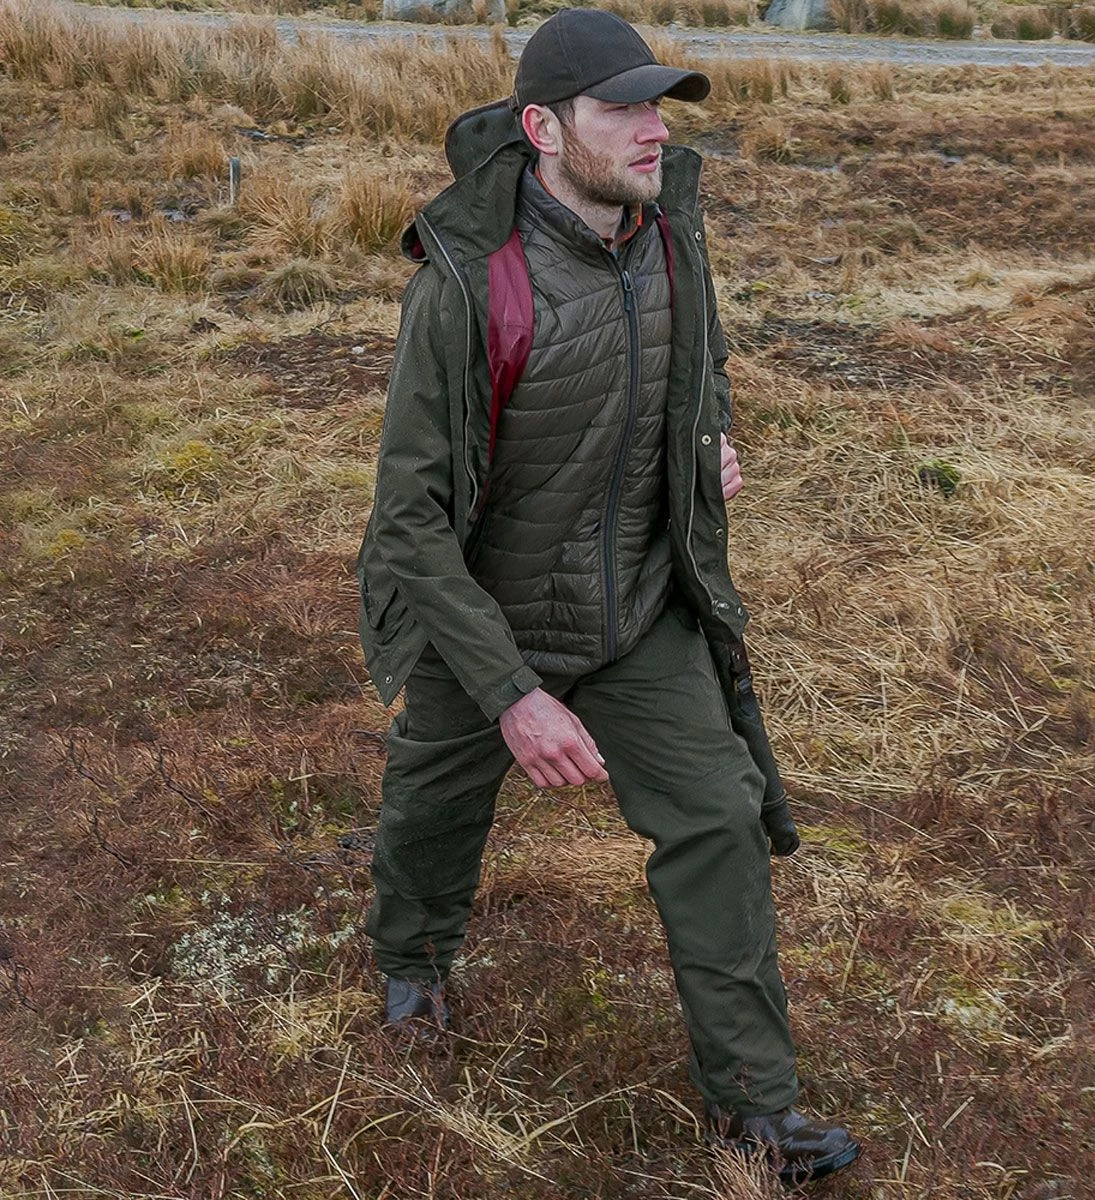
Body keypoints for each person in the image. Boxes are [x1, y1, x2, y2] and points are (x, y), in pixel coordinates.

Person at [355, 8, 861, 1182]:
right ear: (542, 128)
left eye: (657, 106)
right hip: (482, 617)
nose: (651, 130)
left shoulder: (670, 230)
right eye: (621, 109)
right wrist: (511, 694)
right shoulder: (467, 284)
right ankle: (413, 971)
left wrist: (706, 446)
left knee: (720, 815)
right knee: (434, 811)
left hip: (637, 604)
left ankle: (755, 1110)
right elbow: (408, 522)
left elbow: (704, 370)